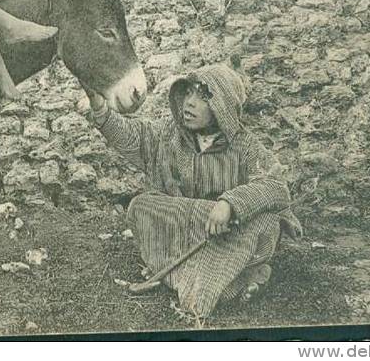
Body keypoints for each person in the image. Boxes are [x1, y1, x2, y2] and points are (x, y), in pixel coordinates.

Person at [87, 63, 302, 318]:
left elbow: (275, 186)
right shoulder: (169, 134)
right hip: (185, 230)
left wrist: (230, 204)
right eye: (188, 93)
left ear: (222, 106)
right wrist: (101, 110)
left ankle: (189, 276)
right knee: (142, 207)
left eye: (202, 97)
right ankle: (235, 277)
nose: (189, 103)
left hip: (224, 234)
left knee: (266, 222)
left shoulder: (244, 145)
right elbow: (133, 136)